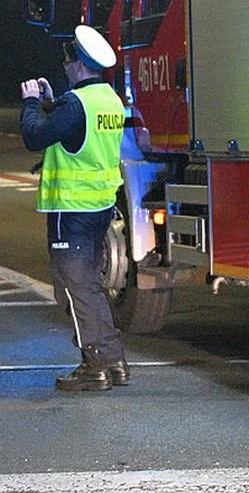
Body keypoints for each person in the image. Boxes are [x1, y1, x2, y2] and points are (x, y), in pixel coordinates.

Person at [20, 25, 129, 392]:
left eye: (68, 61)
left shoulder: (76, 105)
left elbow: (36, 136)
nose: (65, 67)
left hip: (72, 210)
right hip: (99, 207)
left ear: (79, 64)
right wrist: (54, 102)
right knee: (90, 286)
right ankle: (113, 361)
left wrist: (32, 103)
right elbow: (72, 133)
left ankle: (95, 366)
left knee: (73, 289)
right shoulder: (109, 100)